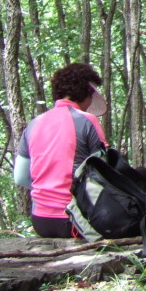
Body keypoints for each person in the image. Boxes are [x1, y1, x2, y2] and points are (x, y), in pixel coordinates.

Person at [13, 63, 109, 238]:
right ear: (86, 93)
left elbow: (20, 177)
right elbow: (105, 173)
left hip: (40, 221)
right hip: (76, 221)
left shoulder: (34, 124)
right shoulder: (88, 120)